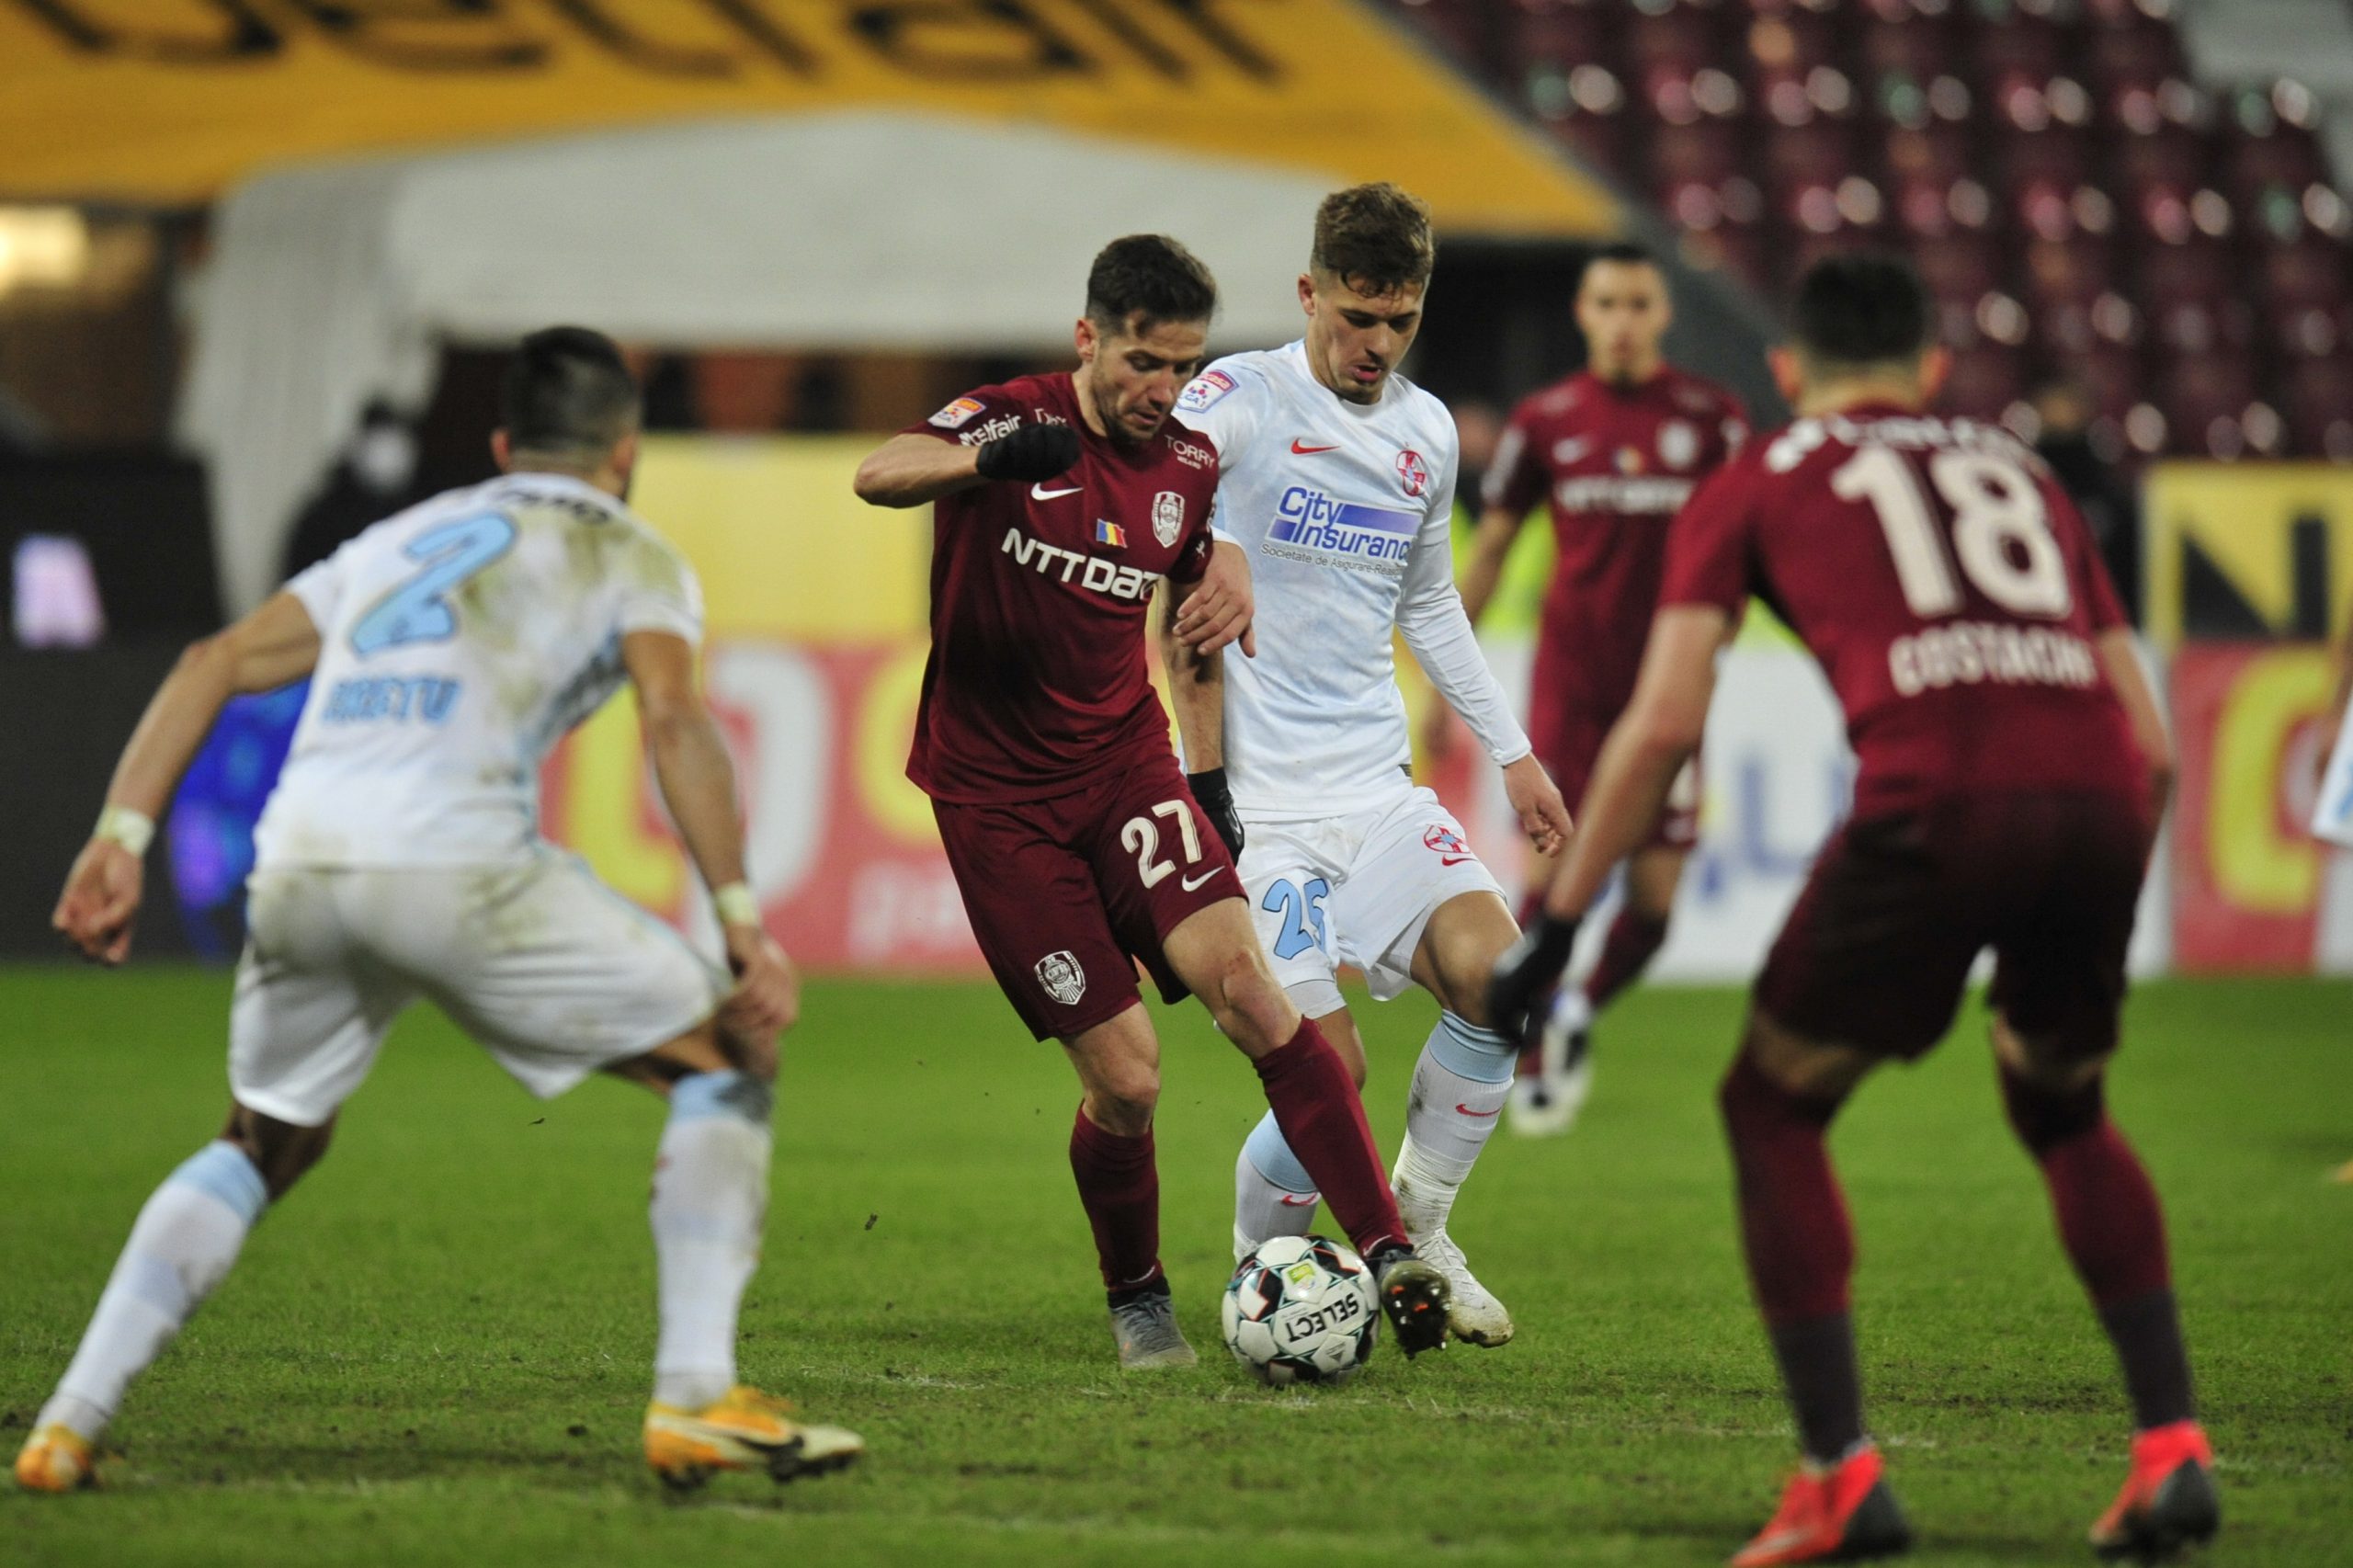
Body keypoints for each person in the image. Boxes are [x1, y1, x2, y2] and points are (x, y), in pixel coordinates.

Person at [17, 328, 858, 1495]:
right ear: (625, 450)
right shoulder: (633, 552)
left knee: (261, 1138)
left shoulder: (398, 537)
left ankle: (67, 1421)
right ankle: (694, 1392)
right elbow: (674, 720)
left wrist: (120, 836)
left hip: (302, 863)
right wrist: (738, 917)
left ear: (505, 444)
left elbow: (212, 658)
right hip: (457, 865)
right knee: (729, 1057)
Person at [1490, 255, 2214, 1566]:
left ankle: (1838, 1475)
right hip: (2100, 799)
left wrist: (1554, 922)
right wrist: (2090, 912)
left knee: (1770, 1105)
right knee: (2063, 1101)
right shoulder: (2024, 471)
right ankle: (2172, 1445)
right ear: (1931, 368)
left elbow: (1662, 724)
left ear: (1786, 371)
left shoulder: (1755, 475)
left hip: (1936, 799)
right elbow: (2154, 747)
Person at [852, 235, 1451, 1370]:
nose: (1162, 390)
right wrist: (983, 460)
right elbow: (878, 473)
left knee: (1254, 995)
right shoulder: (1011, 415)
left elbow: (1193, 626)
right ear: (1087, 340)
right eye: (1141, 363)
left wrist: (1210, 781)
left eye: (1182, 366)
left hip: (1125, 767)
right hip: (999, 803)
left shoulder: (1184, 465)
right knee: (1128, 1077)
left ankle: (1388, 1249)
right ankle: (1137, 1296)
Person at [1165, 184, 1571, 1349]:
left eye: (1399, 320)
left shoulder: (1425, 431)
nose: (1375, 344)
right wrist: (1210, 543)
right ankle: (1265, 1271)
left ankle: (1422, 1225)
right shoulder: (1236, 399)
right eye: (1355, 317)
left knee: (1503, 983)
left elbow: (1428, 602)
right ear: (1309, 293)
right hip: (1265, 812)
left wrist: (1514, 754)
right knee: (1322, 1067)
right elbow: (1156, 504)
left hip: (1376, 791)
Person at [1453, 241, 1747, 1134]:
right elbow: (1492, 548)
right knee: (1551, 883)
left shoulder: (1713, 421)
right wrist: (1442, 678)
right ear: (1583, 313)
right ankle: (1533, 1041)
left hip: (1667, 695)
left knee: (1654, 908)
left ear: (1663, 314)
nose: (1622, 321)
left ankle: (1576, 1009)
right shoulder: (1546, 420)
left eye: (1638, 304)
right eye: (1607, 303)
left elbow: (1753, 547)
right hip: (1572, 692)